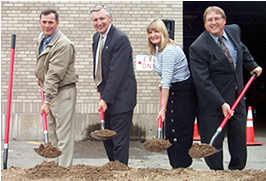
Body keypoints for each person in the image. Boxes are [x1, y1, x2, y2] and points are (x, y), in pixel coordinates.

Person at [189, 6, 263, 170]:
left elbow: (241, 49)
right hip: (212, 102)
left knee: (238, 138)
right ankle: (218, 174)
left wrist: (252, 65)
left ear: (224, 21)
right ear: (204, 23)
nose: (213, 23)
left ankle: (236, 171)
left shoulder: (233, 31)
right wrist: (221, 103)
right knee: (213, 143)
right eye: (209, 20)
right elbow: (203, 81)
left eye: (217, 19)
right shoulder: (198, 47)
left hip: (237, 97)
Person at [146, 19, 197, 168]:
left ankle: (182, 168)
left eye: (156, 31)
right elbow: (165, 79)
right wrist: (162, 84)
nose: (153, 35)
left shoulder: (168, 50)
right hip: (173, 90)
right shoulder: (158, 49)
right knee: (171, 132)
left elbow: (167, 81)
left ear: (164, 32)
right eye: (150, 32)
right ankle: (176, 167)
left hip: (183, 93)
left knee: (179, 132)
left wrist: (162, 109)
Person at [90, 5, 137, 165]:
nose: (99, 22)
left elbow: (117, 73)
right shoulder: (97, 38)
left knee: (119, 141)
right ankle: (113, 167)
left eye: (102, 18)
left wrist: (105, 98)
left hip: (122, 99)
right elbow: (99, 65)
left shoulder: (120, 39)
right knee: (107, 139)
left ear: (110, 19)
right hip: (107, 96)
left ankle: (121, 170)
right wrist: (99, 89)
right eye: (95, 20)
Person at [35, 9, 78, 167]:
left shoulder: (63, 44)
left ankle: (64, 169)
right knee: (52, 132)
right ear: (40, 22)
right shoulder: (42, 38)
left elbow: (55, 74)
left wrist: (47, 100)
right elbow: (44, 64)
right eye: (44, 22)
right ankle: (53, 168)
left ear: (57, 23)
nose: (47, 25)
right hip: (51, 90)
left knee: (63, 134)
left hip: (62, 92)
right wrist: (40, 77)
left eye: (51, 22)